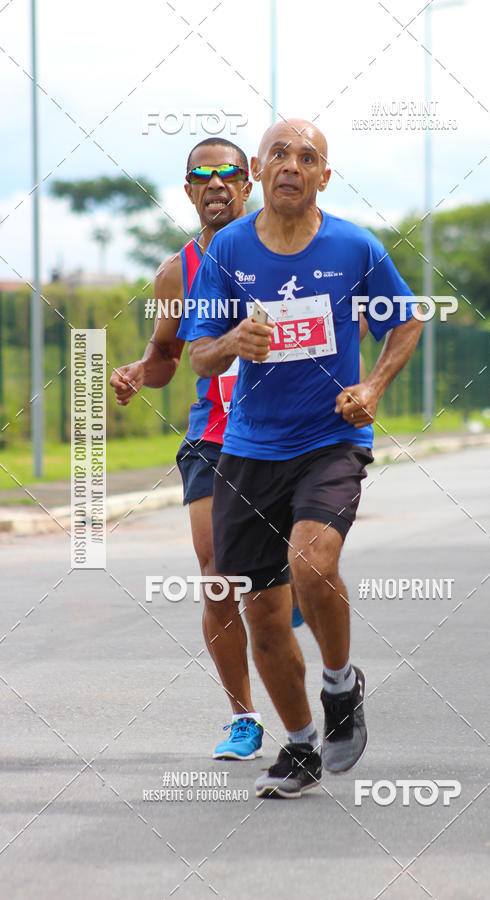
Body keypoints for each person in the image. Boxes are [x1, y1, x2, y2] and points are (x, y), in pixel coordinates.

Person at [179, 118, 423, 798]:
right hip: (249, 448)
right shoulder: (227, 250)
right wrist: (235, 341)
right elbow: (198, 352)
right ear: (259, 168)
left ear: (324, 175)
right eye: (279, 153)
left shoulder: (355, 247)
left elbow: (405, 318)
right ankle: (299, 745)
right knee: (258, 610)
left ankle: (341, 687)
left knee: (312, 562)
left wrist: (372, 385)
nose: (292, 164)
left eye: (307, 156)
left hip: (330, 439)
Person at [109, 138, 265, 761]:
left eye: (229, 174)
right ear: (188, 190)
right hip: (213, 435)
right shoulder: (177, 271)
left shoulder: (282, 246)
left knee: (287, 574)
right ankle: (244, 717)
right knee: (217, 574)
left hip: (288, 434)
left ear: (248, 183)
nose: (216, 184)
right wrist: (135, 371)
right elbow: (165, 358)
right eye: (203, 176)